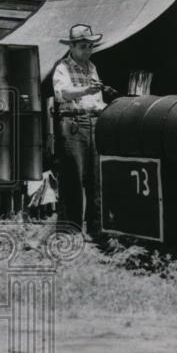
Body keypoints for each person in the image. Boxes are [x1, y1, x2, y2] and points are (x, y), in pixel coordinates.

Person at [51, 23, 118, 238]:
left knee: (96, 178)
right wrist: (86, 90)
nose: (87, 50)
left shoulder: (92, 67)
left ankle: (97, 229)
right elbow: (63, 93)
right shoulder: (62, 67)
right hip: (73, 124)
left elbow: (96, 100)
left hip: (94, 123)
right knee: (73, 177)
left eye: (90, 46)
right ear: (72, 46)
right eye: (83, 46)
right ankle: (70, 231)